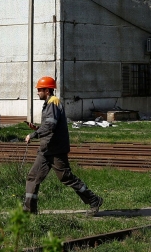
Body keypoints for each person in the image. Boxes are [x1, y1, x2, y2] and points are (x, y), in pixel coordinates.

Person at [23, 76, 103, 215]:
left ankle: (94, 200)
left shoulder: (53, 103)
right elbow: (49, 126)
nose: (37, 92)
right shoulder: (49, 103)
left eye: (40, 90)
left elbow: (50, 125)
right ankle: (29, 211)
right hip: (46, 149)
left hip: (55, 150)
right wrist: (37, 129)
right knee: (33, 177)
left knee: (66, 177)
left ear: (47, 90)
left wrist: (33, 135)